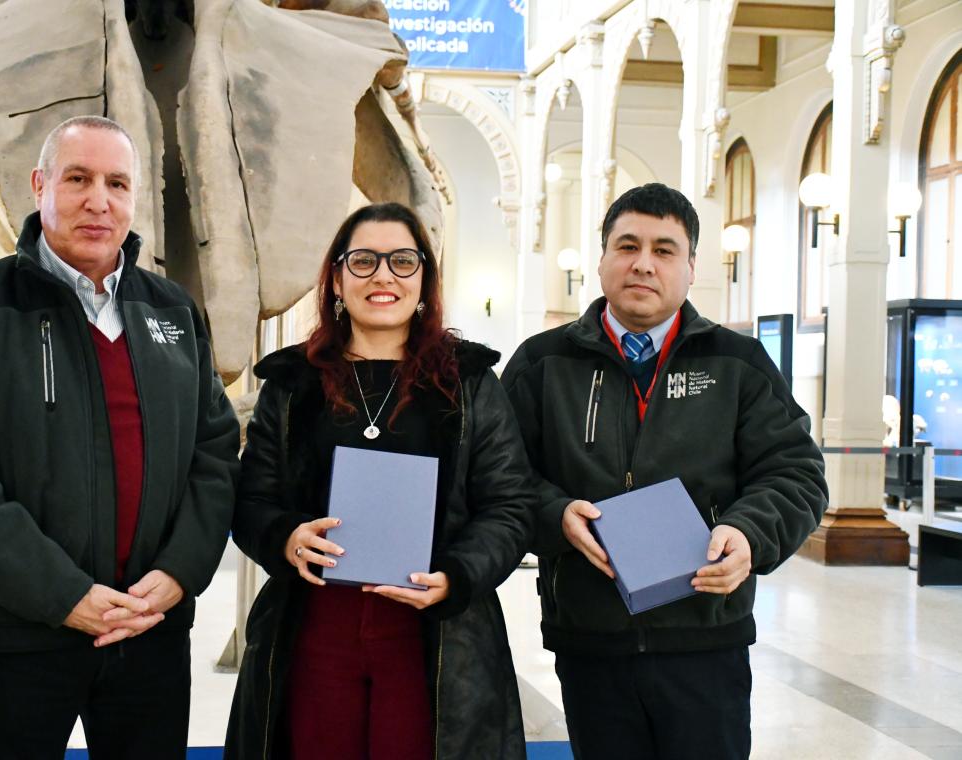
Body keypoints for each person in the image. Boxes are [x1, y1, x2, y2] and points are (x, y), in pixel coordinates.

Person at [0, 115, 240, 758]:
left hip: (149, 630)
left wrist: (178, 574)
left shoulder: (171, 311)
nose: (99, 200)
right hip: (17, 637)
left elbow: (215, 454)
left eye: (117, 183)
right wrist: (62, 595)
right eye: (78, 178)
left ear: (133, 198)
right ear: (40, 185)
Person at [502, 183, 828, 759]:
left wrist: (749, 533)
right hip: (591, 638)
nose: (643, 264)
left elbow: (796, 473)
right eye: (627, 246)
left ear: (691, 267)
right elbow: (501, 477)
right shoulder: (542, 364)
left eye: (664, 249)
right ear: (602, 259)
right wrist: (555, 515)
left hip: (706, 636)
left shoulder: (737, 363)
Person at [224, 202, 533, 759]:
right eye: (363, 261)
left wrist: (458, 577)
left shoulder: (470, 384)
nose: (384, 275)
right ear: (338, 280)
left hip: (435, 635)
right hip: (316, 626)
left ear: (425, 282)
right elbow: (253, 499)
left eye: (403, 261)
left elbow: (510, 506)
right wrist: (286, 537)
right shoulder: (292, 384)